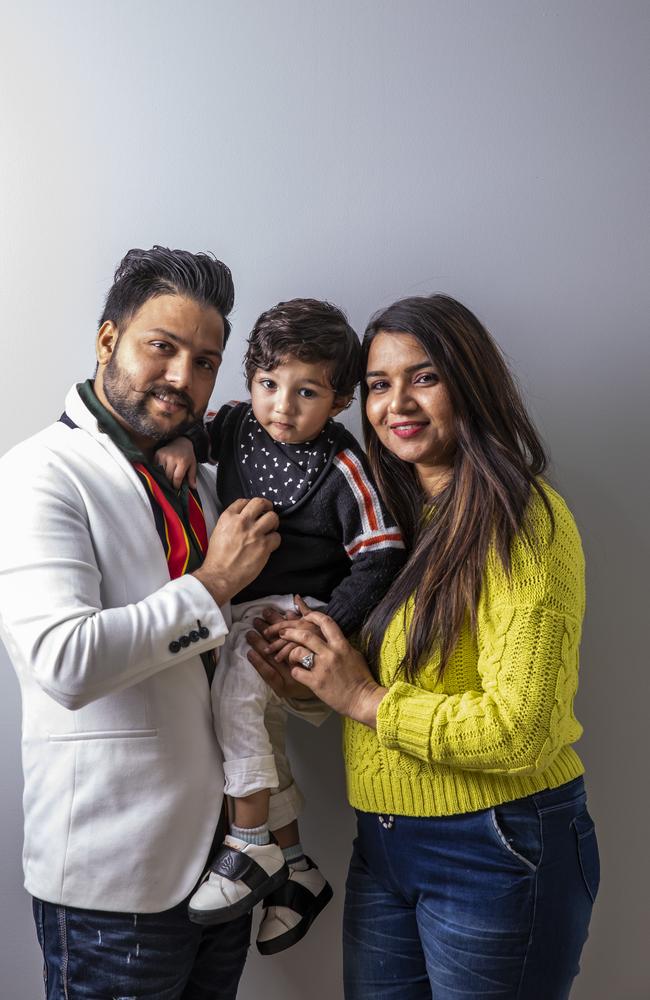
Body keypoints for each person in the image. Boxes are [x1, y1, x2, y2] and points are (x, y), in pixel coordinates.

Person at [249, 294, 600, 1000]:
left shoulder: (521, 519)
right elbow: (370, 690)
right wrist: (305, 679)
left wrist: (363, 697)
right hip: (383, 844)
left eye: (424, 377)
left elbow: (519, 728)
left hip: (498, 845)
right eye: (379, 384)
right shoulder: (390, 520)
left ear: (470, 381)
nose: (395, 403)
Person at [0, 246, 286, 999]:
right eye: (163, 347)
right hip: (114, 883)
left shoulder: (211, 483)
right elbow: (65, 662)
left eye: (205, 362)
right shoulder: (37, 473)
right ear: (107, 341)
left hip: (227, 866)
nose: (182, 379)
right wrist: (215, 581)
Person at [155, 298, 405, 954]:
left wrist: (329, 627)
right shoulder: (235, 424)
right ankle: (295, 870)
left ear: (342, 399)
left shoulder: (344, 465)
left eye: (306, 392)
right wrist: (184, 440)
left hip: (301, 609)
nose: (282, 407)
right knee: (246, 719)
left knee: (237, 689)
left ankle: (248, 843)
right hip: (237, 602)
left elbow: (380, 553)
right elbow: (197, 432)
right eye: (268, 384)